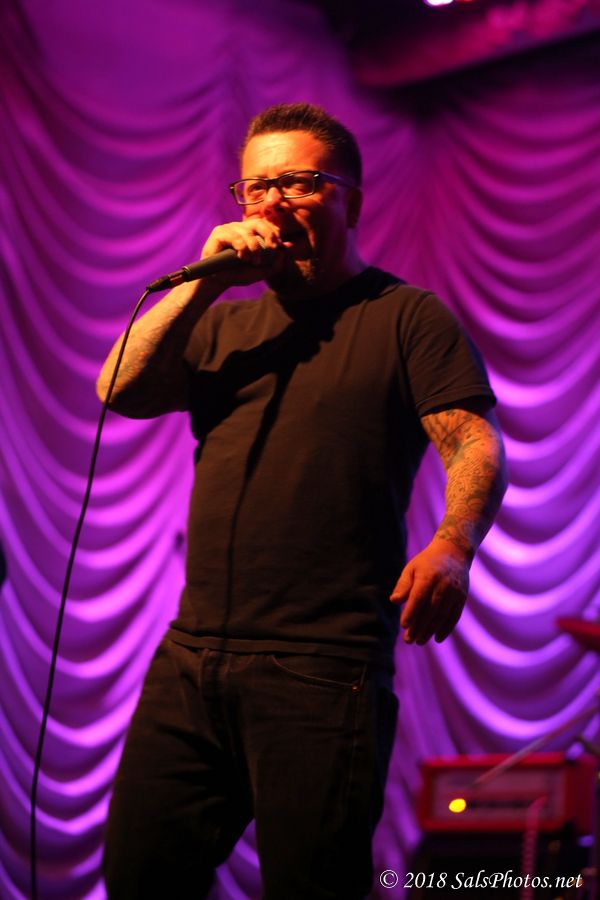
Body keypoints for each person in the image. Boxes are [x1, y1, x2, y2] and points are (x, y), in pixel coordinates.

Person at [98, 103, 507, 899]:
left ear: (351, 200)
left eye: (297, 182)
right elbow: (118, 388)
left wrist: (455, 543)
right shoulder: (223, 326)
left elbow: (473, 441)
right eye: (257, 187)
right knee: (139, 879)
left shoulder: (405, 317)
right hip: (191, 659)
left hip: (322, 668)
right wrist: (204, 282)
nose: (272, 202)